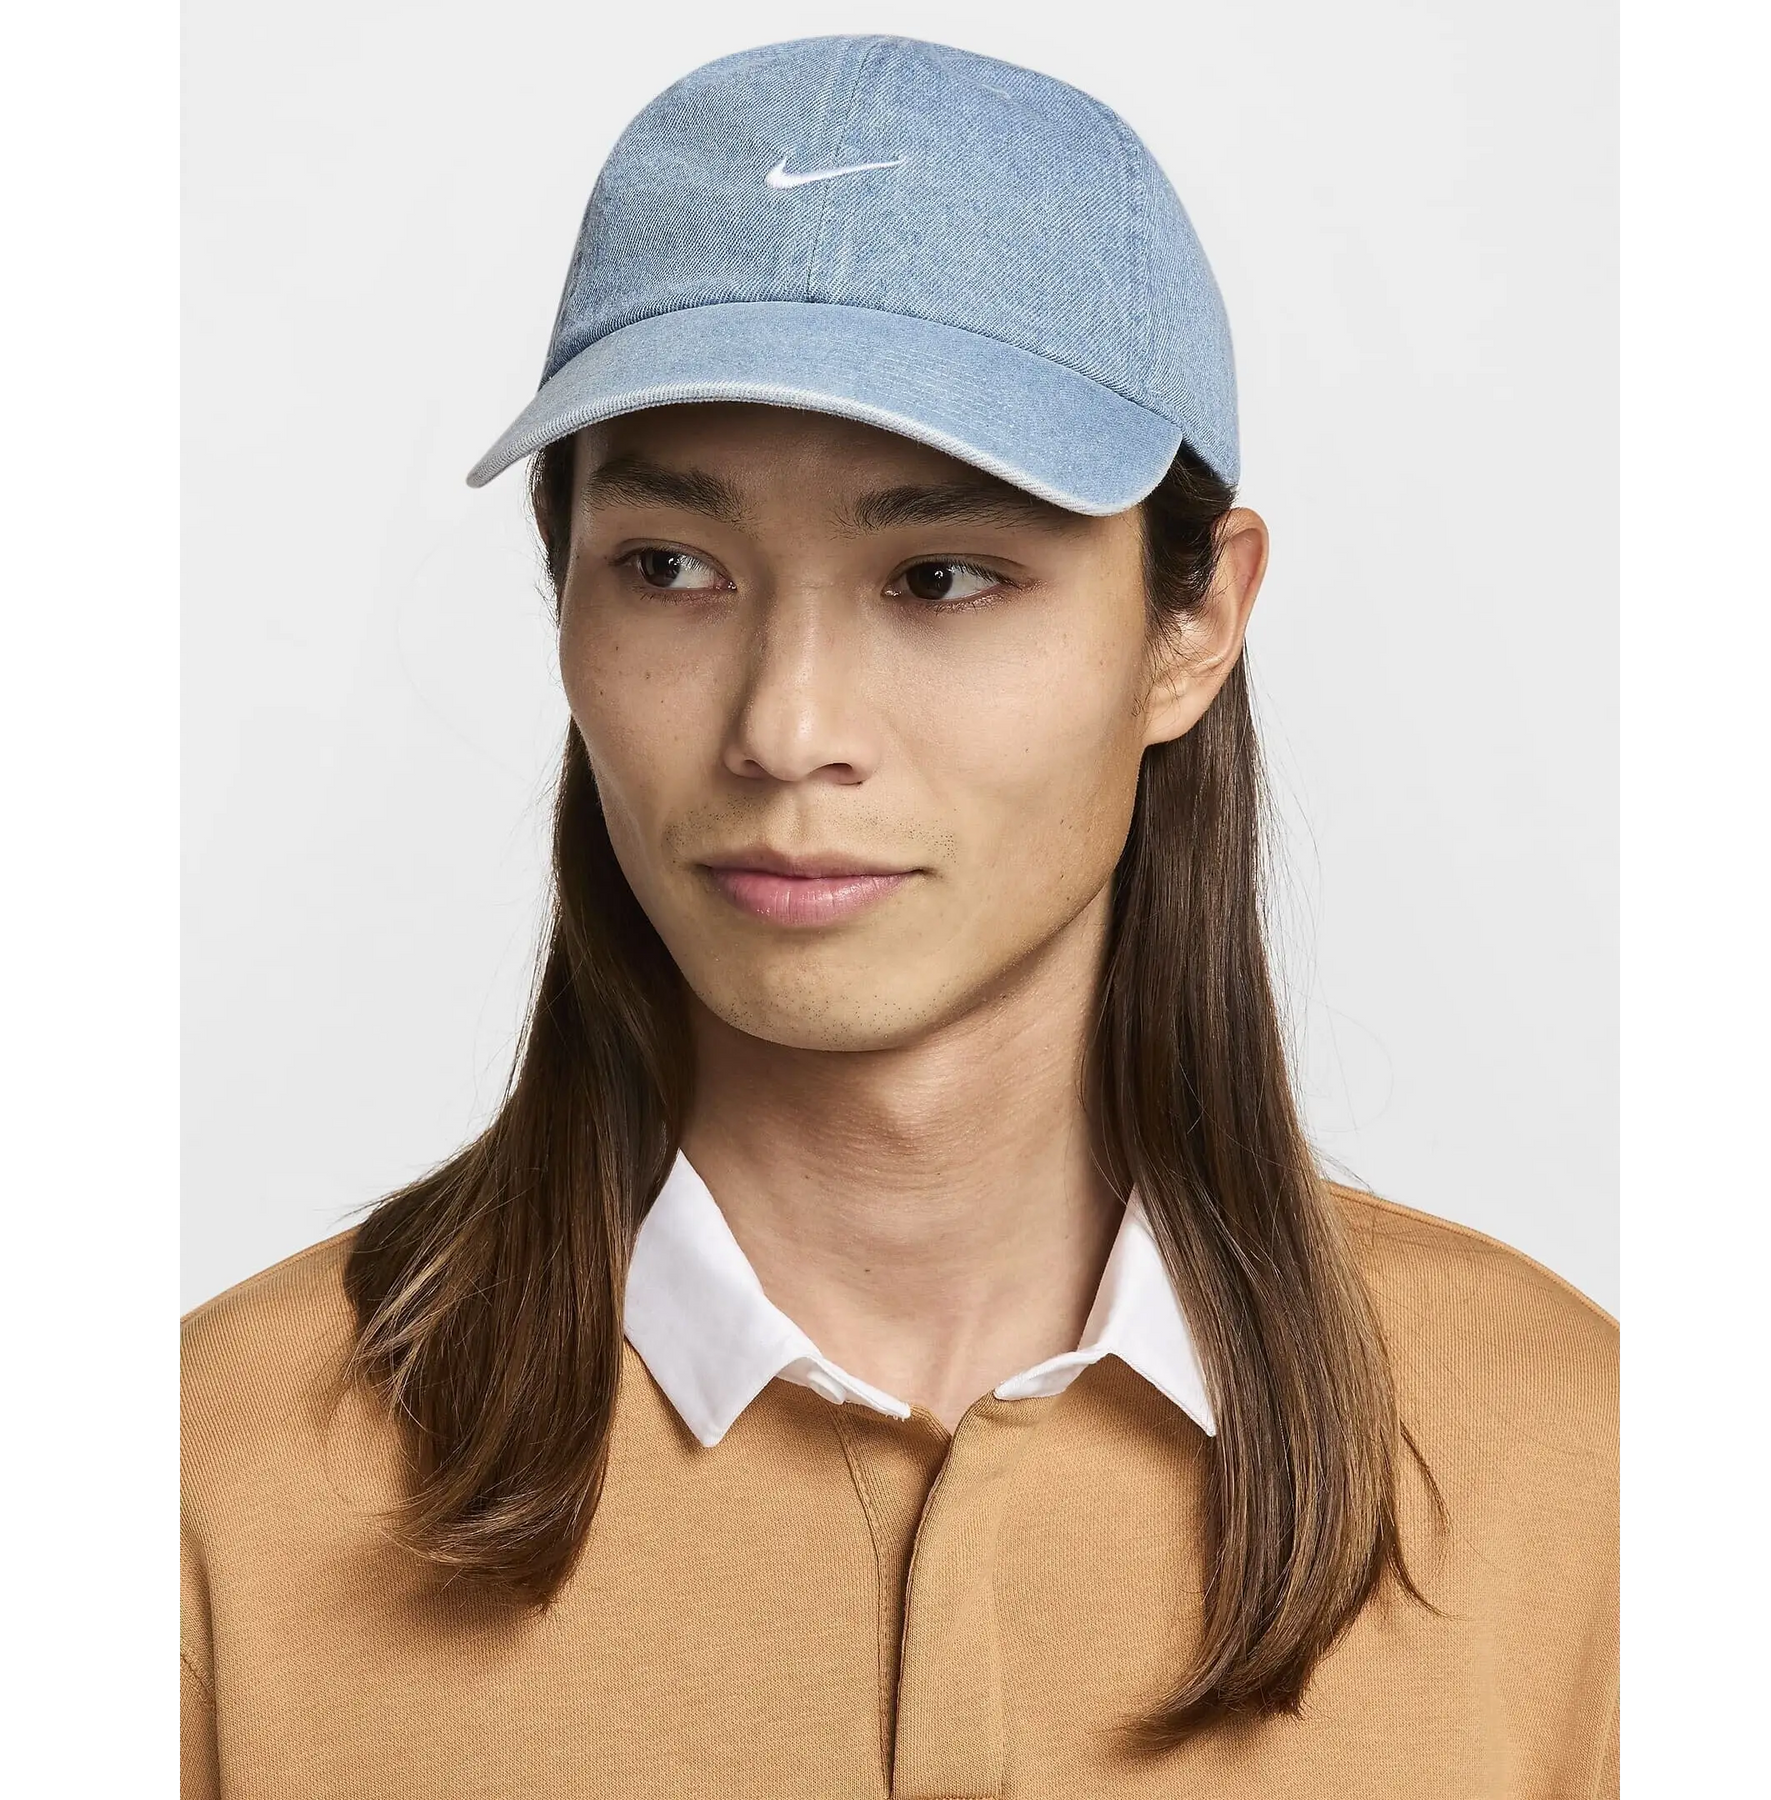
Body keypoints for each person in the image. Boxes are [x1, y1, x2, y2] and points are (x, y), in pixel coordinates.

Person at [177, 35, 1620, 1799]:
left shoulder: (1562, 1470)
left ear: (1195, 625)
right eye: (670, 569)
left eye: (941, 577)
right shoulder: (222, 1490)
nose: (787, 728)